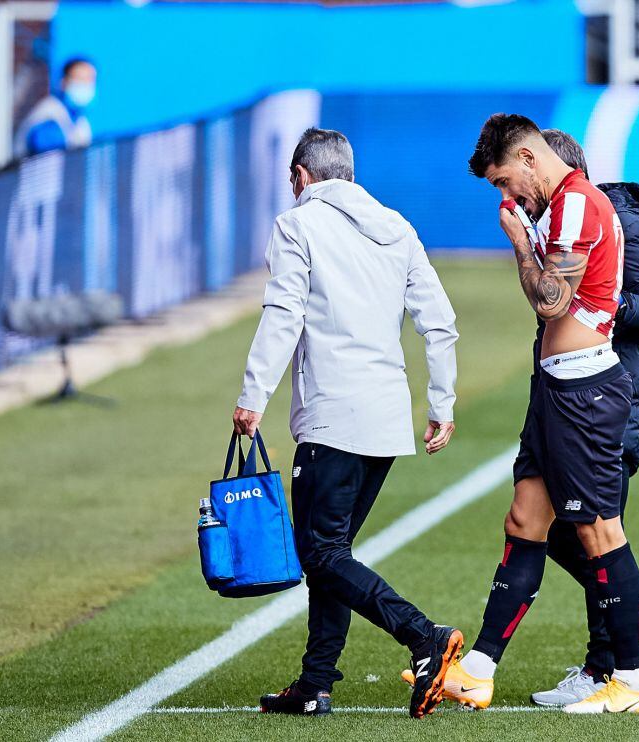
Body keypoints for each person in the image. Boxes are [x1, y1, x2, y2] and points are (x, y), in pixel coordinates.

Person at [232, 128, 462, 719]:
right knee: (330, 552)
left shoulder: (297, 225)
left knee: (322, 552)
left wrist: (253, 394)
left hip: (332, 413)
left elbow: (283, 313)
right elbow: (438, 321)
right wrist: (441, 401)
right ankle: (315, 684)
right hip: (386, 417)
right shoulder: (397, 227)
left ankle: (423, 636)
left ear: (302, 176)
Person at [441, 113, 639, 714]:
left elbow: (552, 298)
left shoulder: (577, 205)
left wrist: (517, 241)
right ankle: (478, 670)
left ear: (530, 158)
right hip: (557, 388)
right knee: (524, 520)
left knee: (598, 531)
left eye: (506, 181)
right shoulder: (558, 207)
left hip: (585, 391)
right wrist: (526, 241)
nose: (508, 196)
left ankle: (631, 682)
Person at [529, 129, 639, 706]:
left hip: (609, 401)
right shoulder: (558, 227)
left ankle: (611, 667)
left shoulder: (619, 224)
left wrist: (607, 304)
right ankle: (637, 636)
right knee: (555, 529)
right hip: (567, 403)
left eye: (524, 186)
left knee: (591, 533)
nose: (520, 198)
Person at [13, 57, 96, 158]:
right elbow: (49, 158)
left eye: (89, 80)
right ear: (63, 83)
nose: (84, 85)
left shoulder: (80, 122)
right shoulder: (49, 115)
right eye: (79, 79)